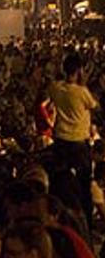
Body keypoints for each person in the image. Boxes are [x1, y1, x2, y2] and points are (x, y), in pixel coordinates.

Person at [48, 53, 98, 231]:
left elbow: (51, 96)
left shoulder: (55, 88)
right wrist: (82, 82)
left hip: (61, 140)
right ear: (78, 71)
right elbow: (93, 105)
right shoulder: (81, 92)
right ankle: (87, 226)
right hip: (78, 142)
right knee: (84, 186)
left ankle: (57, 223)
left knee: (59, 182)